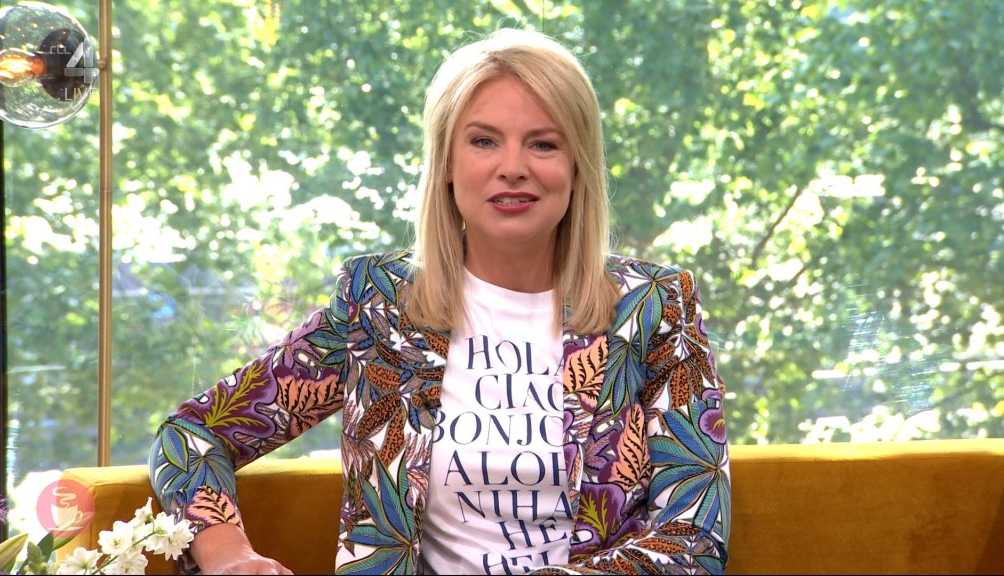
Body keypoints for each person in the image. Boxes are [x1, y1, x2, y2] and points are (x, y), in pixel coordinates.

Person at [149, 27, 730, 575]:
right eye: (484, 141)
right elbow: (195, 434)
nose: (512, 168)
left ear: (577, 166)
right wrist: (229, 555)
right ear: (447, 164)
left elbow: (695, 539)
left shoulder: (654, 310)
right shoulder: (377, 307)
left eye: (543, 144)